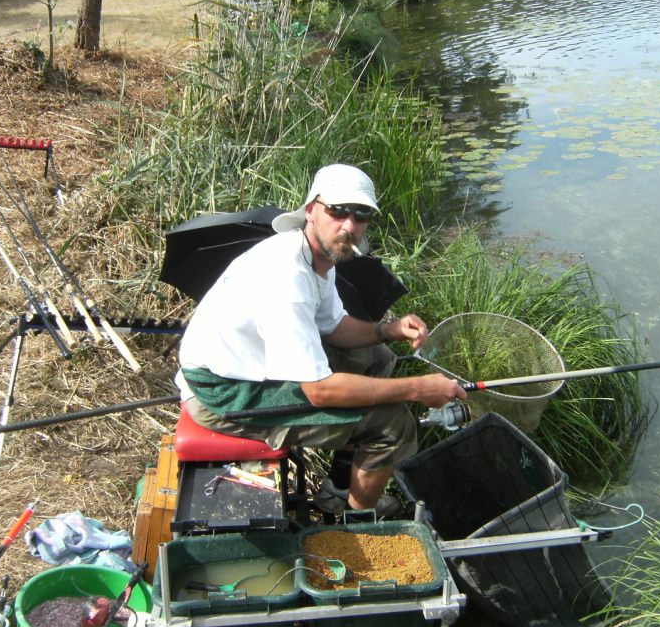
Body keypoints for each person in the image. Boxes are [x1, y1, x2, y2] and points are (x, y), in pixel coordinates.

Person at [175, 164, 466, 517]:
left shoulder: (316, 256)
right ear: (311, 210)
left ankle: (337, 487)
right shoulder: (288, 278)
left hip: (249, 368)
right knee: (394, 425)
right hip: (226, 394)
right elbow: (319, 391)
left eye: (361, 215)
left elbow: (335, 327)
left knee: (377, 357)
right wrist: (418, 389)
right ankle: (353, 527)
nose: (349, 225)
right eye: (338, 211)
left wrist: (387, 329)